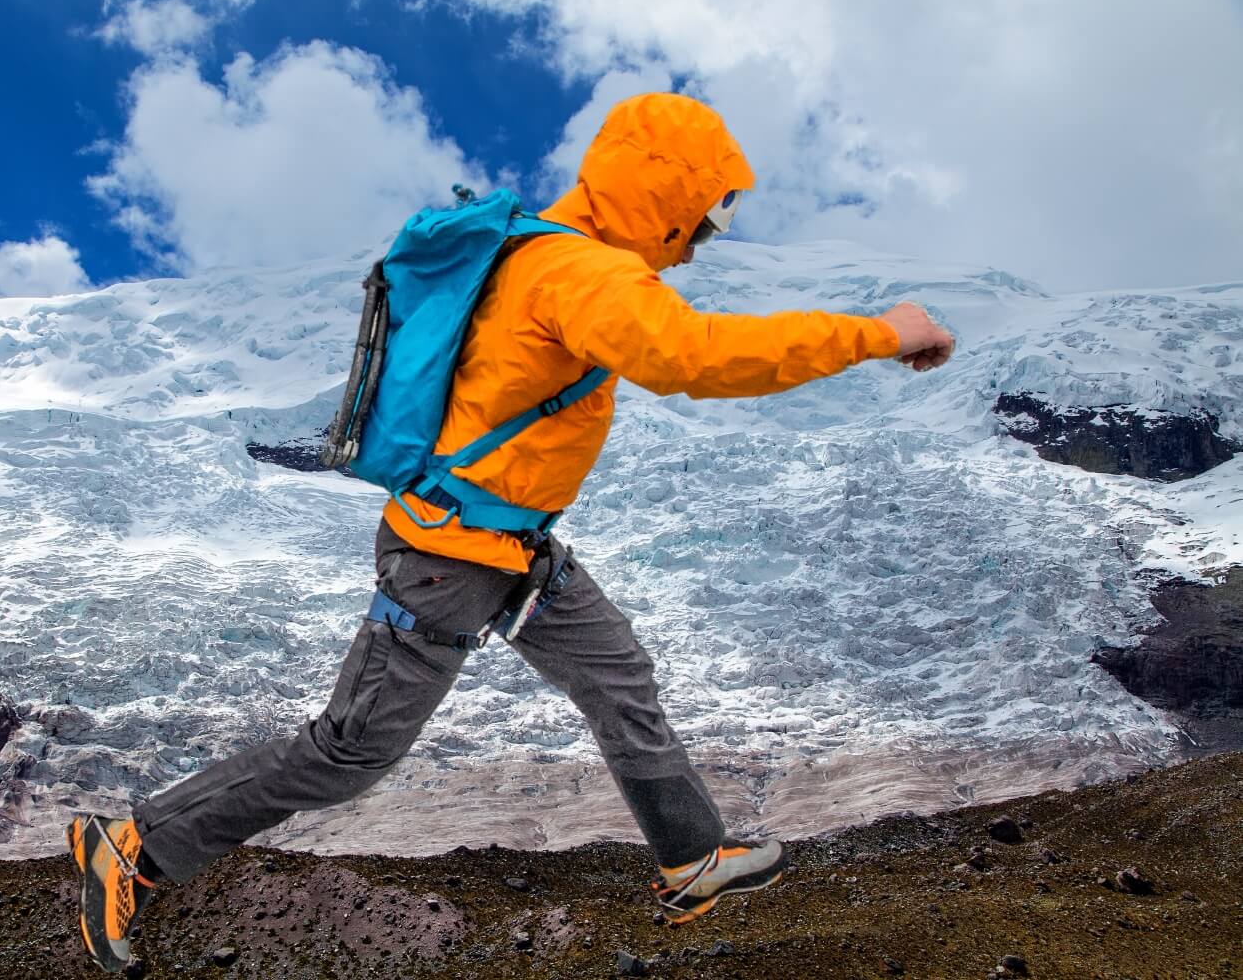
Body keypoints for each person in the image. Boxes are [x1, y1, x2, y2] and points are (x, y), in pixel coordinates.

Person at [67, 92, 956, 972]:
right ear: (668, 197)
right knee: (349, 753)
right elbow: (693, 357)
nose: (700, 247)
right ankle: (134, 848)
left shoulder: (541, 252)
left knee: (616, 675)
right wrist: (878, 334)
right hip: (446, 561)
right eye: (704, 223)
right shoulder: (582, 274)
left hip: (515, 549)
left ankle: (692, 858)